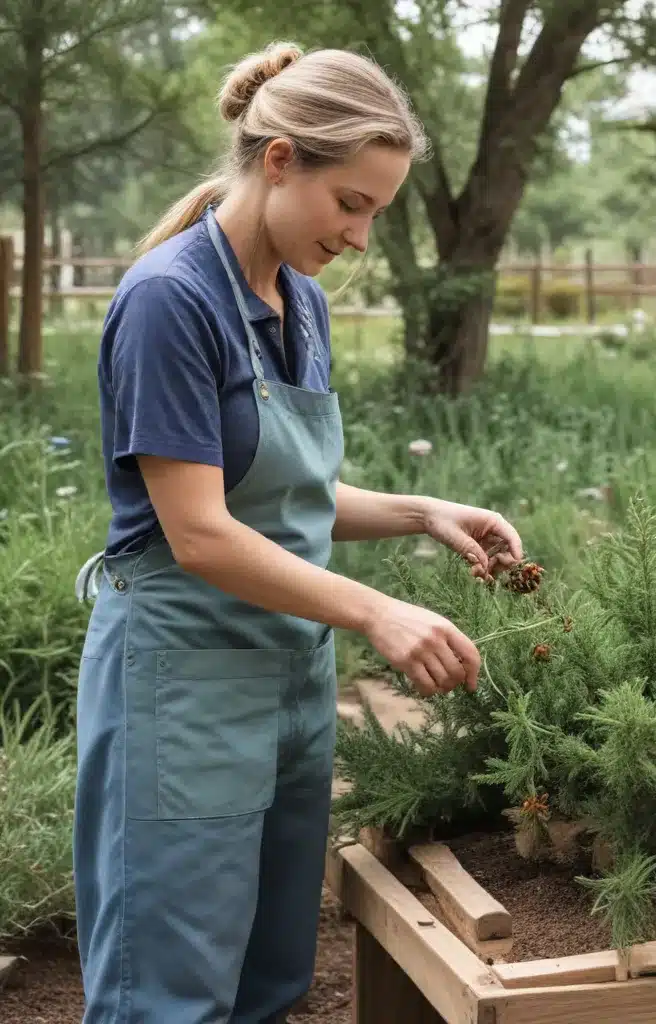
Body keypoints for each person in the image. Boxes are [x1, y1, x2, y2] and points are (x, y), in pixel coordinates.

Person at [73, 41, 523, 1023]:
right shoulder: (169, 301)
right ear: (278, 160)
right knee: (170, 989)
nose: (361, 234)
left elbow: (282, 491)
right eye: (351, 203)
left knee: (270, 977)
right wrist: (377, 613)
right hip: (184, 687)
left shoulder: (299, 300)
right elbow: (200, 533)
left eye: (377, 210)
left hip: (286, 682)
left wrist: (421, 512)